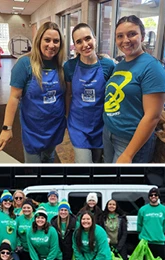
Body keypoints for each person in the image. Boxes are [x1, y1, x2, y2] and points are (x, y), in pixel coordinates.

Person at [0, 22, 67, 163]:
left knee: (49, 158)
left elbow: (64, 95)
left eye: (56, 41)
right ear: (39, 40)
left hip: (55, 126)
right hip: (33, 129)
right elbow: (14, 97)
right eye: (47, 40)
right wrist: (6, 128)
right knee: (33, 168)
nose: (51, 45)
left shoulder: (61, 66)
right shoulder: (24, 64)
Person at [105, 15, 165, 163]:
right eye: (120, 36)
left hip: (130, 141)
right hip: (108, 133)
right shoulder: (120, 64)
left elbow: (152, 116)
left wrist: (128, 154)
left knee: (120, 185)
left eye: (132, 34)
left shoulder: (152, 68)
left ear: (143, 36)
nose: (125, 40)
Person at [62, 24, 116, 163]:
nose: (85, 44)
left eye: (88, 38)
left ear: (95, 39)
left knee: (97, 162)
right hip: (78, 125)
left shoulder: (108, 66)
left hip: (100, 125)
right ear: (74, 46)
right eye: (79, 42)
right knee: (84, 163)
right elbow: (68, 94)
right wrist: (67, 117)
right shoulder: (69, 66)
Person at [0, 191, 21, 260]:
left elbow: (17, 233)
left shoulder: (14, 217)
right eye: (5, 200)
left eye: (10, 200)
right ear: (2, 201)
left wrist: (18, 244)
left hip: (12, 251)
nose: (8, 202)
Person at [139, 187, 165, 259]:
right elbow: (139, 224)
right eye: (151, 195)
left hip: (159, 241)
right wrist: (142, 235)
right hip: (145, 242)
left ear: (158, 196)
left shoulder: (164, 209)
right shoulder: (143, 209)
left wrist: (159, 233)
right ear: (149, 197)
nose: (153, 196)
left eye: (155, 195)